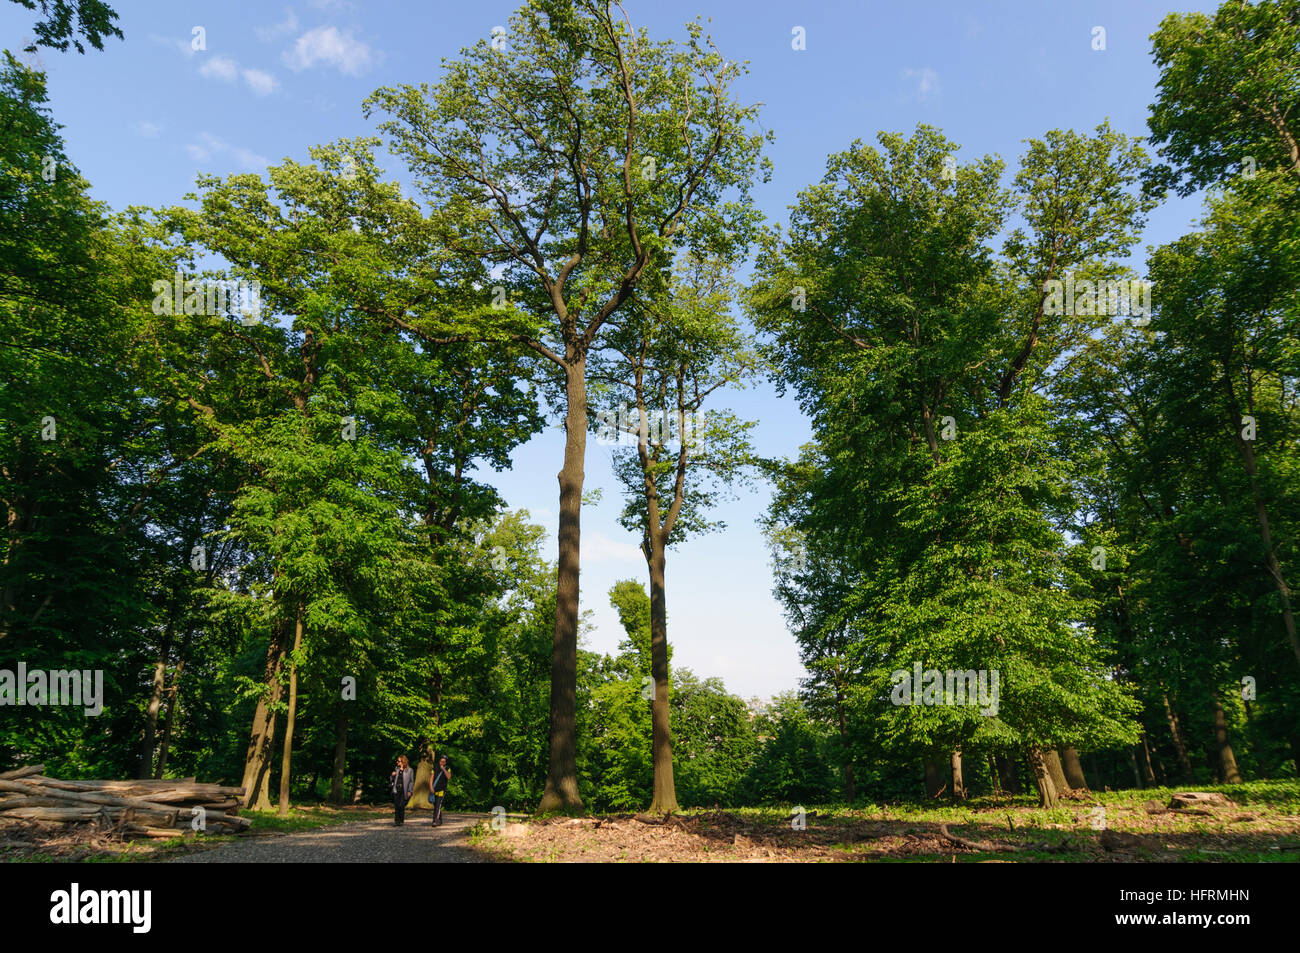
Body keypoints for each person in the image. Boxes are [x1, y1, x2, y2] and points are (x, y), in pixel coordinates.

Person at [390, 755, 413, 825]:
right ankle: (397, 820)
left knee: (401, 805)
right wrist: (392, 775)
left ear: (403, 761)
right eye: (397, 761)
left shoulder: (409, 770)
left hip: (404, 790)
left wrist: (410, 790)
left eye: (399, 761)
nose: (397, 762)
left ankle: (401, 820)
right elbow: (391, 779)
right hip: (396, 789)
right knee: (396, 805)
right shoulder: (396, 769)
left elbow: (411, 781)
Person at [428, 754, 451, 826]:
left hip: (442, 790)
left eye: (444, 762)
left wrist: (444, 769)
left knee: (438, 804)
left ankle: (435, 820)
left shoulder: (447, 768)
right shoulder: (434, 768)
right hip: (434, 789)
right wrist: (431, 787)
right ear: (439, 761)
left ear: (446, 762)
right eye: (441, 761)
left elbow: (449, 777)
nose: (442, 763)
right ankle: (440, 820)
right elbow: (431, 778)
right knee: (436, 806)